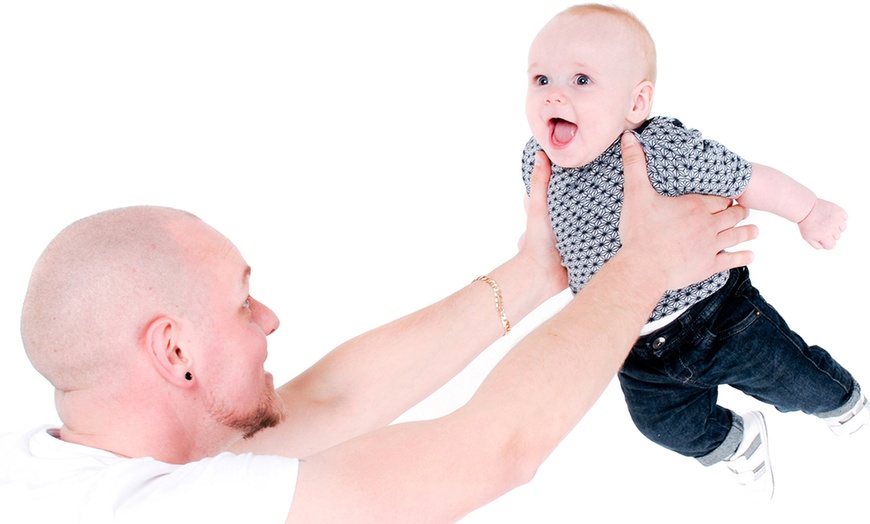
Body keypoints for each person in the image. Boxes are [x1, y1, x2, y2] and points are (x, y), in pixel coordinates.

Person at [0, 133, 755, 523]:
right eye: (241, 303)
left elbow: (327, 403)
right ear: (175, 351)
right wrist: (644, 265)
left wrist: (536, 271)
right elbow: (494, 451)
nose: (269, 319)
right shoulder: (164, 515)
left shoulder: (62, 471)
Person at [521, 3, 866, 500]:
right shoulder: (537, 160)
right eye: (540, 79)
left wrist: (808, 209)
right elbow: (546, 226)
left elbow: (745, 179)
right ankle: (737, 442)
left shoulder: (660, 148)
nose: (553, 93)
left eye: (581, 80)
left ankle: (845, 403)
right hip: (628, 342)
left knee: (792, 379)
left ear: (635, 104)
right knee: (661, 424)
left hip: (714, 317)